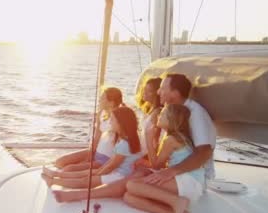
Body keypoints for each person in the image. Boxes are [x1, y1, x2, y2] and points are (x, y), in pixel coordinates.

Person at [51, 73, 216, 205]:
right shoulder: (175, 112)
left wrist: (170, 171)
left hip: (189, 178)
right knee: (131, 187)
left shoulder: (195, 114)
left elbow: (204, 153)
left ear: (175, 92)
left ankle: (79, 195)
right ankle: (80, 193)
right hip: (177, 171)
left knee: (129, 183)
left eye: (162, 88)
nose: (158, 92)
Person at [123, 104, 203, 213]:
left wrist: (148, 138)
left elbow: (156, 165)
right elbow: (162, 164)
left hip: (187, 181)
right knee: (129, 197)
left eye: (163, 114)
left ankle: (176, 201)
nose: (159, 116)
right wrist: (144, 163)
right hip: (190, 183)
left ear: (172, 119)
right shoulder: (179, 137)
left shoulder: (171, 139)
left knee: (131, 185)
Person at [42, 106, 143, 188]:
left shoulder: (125, 144)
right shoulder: (123, 139)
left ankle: (53, 181)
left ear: (121, 123)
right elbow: (111, 162)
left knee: (85, 180)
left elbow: (112, 166)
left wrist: (98, 174)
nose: (110, 122)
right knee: (87, 172)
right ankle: (55, 174)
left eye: (112, 119)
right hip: (115, 172)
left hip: (119, 176)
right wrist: (99, 171)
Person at [52, 87, 125, 172]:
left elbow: (122, 144)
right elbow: (97, 138)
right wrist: (89, 155)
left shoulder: (119, 119)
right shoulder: (102, 114)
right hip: (96, 154)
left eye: (102, 98)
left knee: (68, 169)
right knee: (59, 162)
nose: (99, 100)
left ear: (111, 103)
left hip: (106, 159)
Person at [134, 77, 163, 169]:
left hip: (147, 157)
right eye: (144, 89)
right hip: (141, 153)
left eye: (148, 90)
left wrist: (146, 161)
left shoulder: (157, 113)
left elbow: (157, 141)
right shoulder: (149, 110)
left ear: (157, 93)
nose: (144, 92)